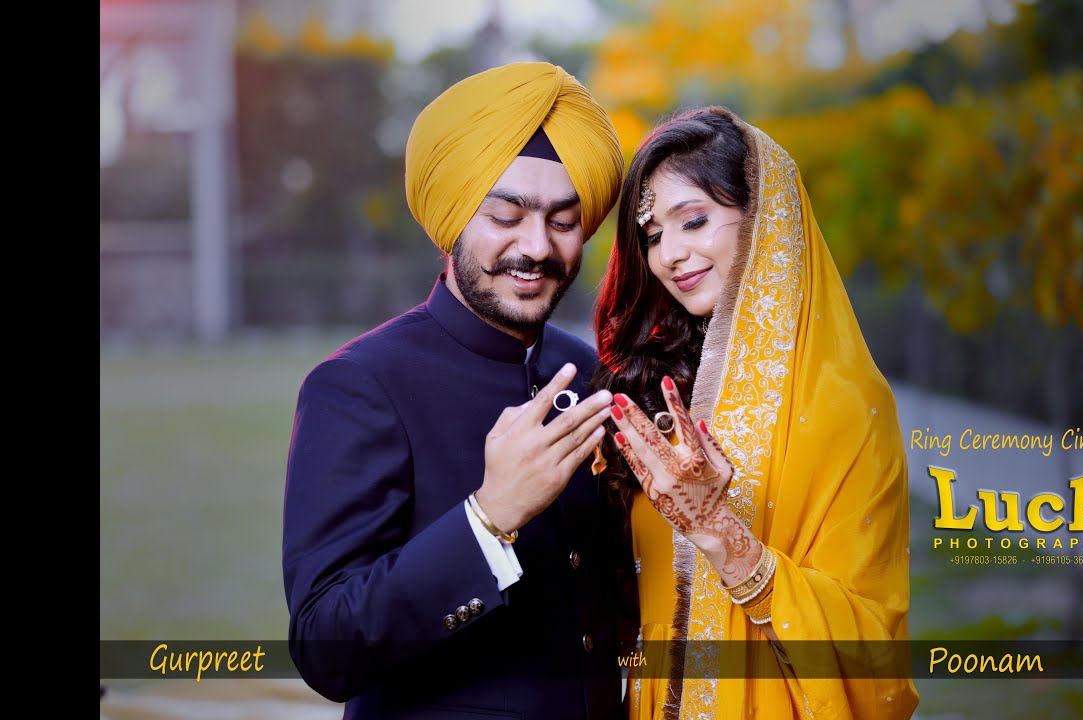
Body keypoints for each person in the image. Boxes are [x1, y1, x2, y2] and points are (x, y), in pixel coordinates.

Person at [283, 62, 636, 720]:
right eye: (506, 215)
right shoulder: (361, 385)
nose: (536, 247)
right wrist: (487, 519)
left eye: (564, 221)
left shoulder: (593, 376)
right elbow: (325, 648)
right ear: (453, 218)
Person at [591, 107, 919, 719]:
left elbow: (872, 653)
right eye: (653, 237)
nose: (671, 255)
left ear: (768, 219)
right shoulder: (657, 389)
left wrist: (720, 532)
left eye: (693, 221)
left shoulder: (849, 404)